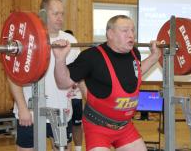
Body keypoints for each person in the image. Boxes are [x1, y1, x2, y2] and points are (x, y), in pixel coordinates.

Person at [52, 15, 162, 151]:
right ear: (110, 34)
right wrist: (60, 59)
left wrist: (154, 57)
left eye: (133, 30)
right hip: (98, 128)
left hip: (125, 128)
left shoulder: (134, 53)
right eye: (125, 30)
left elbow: (136, 73)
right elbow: (62, 83)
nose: (131, 35)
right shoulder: (92, 57)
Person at [8, 0, 80, 151]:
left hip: (61, 114)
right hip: (31, 114)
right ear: (43, 14)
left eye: (62, 14)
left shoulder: (70, 40)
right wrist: (22, 108)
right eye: (56, 14)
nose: (60, 18)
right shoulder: (26, 39)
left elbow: (77, 75)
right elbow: (13, 77)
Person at [64, 29, 83, 151]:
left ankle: (78, 149)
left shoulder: (77, 52)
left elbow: (82, 71)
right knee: (65, 126)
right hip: (63, 98)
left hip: (76, 97)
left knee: (77, 124)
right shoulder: (59, 54)